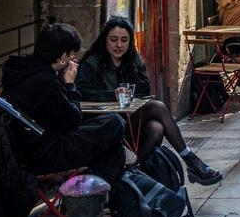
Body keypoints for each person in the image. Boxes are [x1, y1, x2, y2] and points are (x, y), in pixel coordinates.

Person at [1, 23, 130, 217]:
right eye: (71, 55)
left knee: (112, 147)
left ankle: (91, 214)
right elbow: (70, 119)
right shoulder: (43, 81)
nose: (73, 60)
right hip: (46, 152)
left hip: (34, 147)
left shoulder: (25, 72)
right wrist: (70, 84)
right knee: (114, 124)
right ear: (62, 57)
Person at [77, 17, 222, 185]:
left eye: (124, 40)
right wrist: (113, 95)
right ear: (105, 40)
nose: (119, 45)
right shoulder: (93, 62)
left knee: (156, 127)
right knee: (158, 108)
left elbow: (145, 91)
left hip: (129, 119)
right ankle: (190, 160)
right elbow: (80, 91)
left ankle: (133, 168)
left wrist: (135, 84)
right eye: (113, 39)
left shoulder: (132, 59)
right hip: (105, 122)